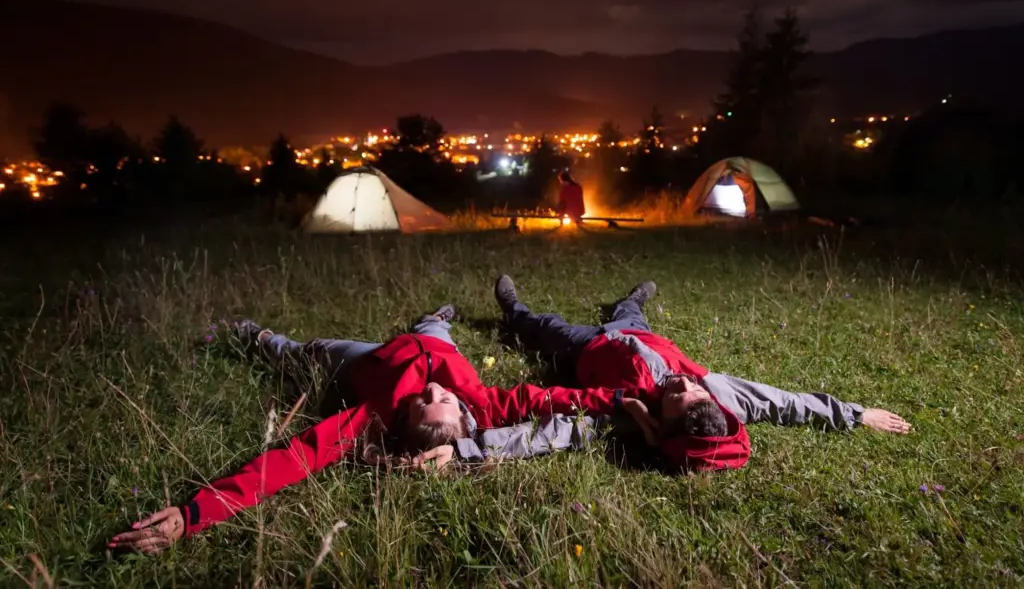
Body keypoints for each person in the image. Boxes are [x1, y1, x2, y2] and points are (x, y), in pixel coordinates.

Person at [108, 304, 643, 553]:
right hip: (419, 347)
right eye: (440, 401)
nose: (435, 393)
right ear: (464, 421)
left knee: (308, 353)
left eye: (426, 402)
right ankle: (436, 316)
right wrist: (624, 396)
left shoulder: (375, 415)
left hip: (365, 363)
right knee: (421, 331)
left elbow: (295, 458)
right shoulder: (483, 402)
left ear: (406, 421)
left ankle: (256, 334)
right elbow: (549, 399)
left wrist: (195, 512)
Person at [472, 275, 911, 472]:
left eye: (678, 394)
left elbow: (553, 432)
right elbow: (785, 403)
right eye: (693, 391)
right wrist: (855, 415)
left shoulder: (633, 415)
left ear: (662, 420)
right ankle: (631, 300)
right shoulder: (719, 393)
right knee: (630, 313)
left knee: (544, 328)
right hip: (638, 335)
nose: (683, 383)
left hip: (586, 348)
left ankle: (513, 311)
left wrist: (466, 453)